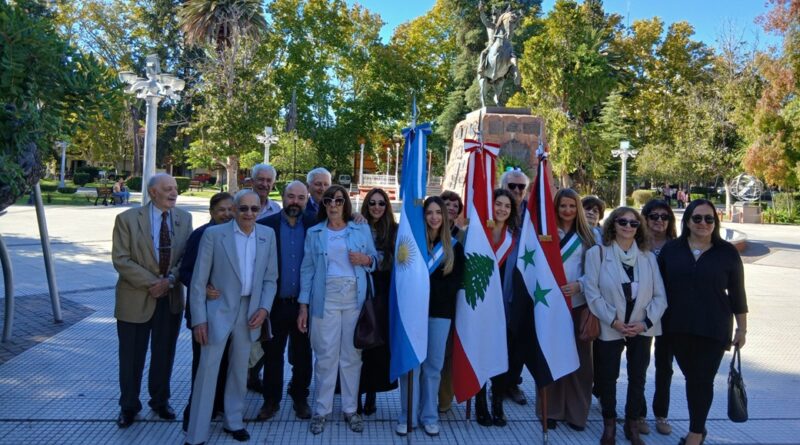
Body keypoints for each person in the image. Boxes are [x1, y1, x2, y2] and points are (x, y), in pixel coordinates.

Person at [184, 190, 278, 445]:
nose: (249, 214)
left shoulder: (267, 236)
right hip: (218, 310)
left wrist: (264, 308)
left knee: (239, 370)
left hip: (249, 311)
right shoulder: (214, 235)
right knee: (207, 370)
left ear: (260, 211)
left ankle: (233, 421)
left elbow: (270, 279)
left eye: (254, 209)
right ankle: (196, 433)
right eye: (244, 208)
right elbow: (198, 281)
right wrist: (199, 320)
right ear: (235, 209)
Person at [658, 199, 748, 445]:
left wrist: (742, 328)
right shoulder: (671, 250)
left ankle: (695, 433)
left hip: (714, 328)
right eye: (697, 218)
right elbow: (657, 288)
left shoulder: (727, 253)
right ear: (687, 220)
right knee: (691, 378)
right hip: (677, 327)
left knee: (703, 379)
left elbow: (738, 293)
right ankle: (698, 427)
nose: (703, 223)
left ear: (715, 222)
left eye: (709, 219)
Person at [111, 173, 193, 428]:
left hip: (170, 298)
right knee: (131, 356)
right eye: (168, 189)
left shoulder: (184, 218)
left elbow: (186, 258)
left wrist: (168, 282)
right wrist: (152, 283)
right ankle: (128, 406)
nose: (174, 193)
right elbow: (121, 259)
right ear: (153, 192)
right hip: (136, 297)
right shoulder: (126, 219)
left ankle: (160, 401)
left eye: (176, 188)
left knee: (164, 354)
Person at [296, 185, 377, 435]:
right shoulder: (315, 233)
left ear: (345, 204)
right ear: (323, 204)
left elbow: (374, 260)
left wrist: (365, 260)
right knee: (326, 356)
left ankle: (351, 410)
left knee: (352, 356)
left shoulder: (360, 227)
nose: (333, 204)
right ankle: (322, 411)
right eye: (329, 200)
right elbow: (307, 270)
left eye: (339, 200)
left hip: (354, 298)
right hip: (325, 299)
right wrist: (303, 307)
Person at [584, 206, 667, 445]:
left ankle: (632, 423)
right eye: (623, 222)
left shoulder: (648, 257)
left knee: (637, 376)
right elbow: (592, 293)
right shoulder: (597, 253)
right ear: (613, 224)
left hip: (642, 326)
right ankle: (609, 423)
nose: (628, 227)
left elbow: (660, 296)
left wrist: (645, 322)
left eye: (633, 223)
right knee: (607, 377)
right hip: (611, 324)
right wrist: (613, 320)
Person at [395, 196, 465, 437]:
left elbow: (454, 282)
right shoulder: (413, 244)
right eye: (429, 212)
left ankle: (429, 416)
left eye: (438, 212)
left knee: (433, 367)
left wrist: (427, 290)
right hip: (412, 312)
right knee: (411, 366)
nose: (434, 217)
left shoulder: (454, 246)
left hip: (439, 314)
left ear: (444, 216)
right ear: (423, 216)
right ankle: (407, 415)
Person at [254, 181, 316, 422]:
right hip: (275, 303)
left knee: (303, 355)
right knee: (273, 355)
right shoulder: (265, 226)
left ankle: (300, 397)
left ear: (307, 198)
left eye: (301, 198)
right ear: (283, 196)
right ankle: (271, 401)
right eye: (291, 196)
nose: (295, 202)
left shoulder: (315, 225)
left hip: (304, 304)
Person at [538, 188, 597, 431]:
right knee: (551, 358)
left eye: (572, 206)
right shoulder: (546, 233)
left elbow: (596, 270)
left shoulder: (589, 235)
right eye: (563, 206)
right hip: (550, 305)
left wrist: (580, 285)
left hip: (577, 305)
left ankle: (576, 412)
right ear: (556, 207)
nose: (568, 210)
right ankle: (549, 410)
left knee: (579, 362)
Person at [180, 192, 235, 431]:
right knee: (203, 365)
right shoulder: (201, 235)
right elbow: (185, 272)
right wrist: (203, 288)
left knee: (225, 363)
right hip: (203, 311)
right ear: (212, 212)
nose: (227, 214)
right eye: (222, 210)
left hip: (229, 313)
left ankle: (218, 406)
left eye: (231, 209)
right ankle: (194, 414)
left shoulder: (237, 235)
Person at [473, 188, 519, 428]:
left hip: (504, 305)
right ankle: (480, 402)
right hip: (480, 304)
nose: (502, 209)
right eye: (498, 204)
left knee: (501, 356)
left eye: (507, 206)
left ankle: (497, 403)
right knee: (481, 353)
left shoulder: (515, 237)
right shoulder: (479, 232)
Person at [356, 188, 399, 416]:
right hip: (358, 290)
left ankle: (371, 392)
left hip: (382, 292)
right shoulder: (356, 225)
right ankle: (356, 392)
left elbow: (394, 261)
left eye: (382, 203)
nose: (376, 207)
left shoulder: (394, 230)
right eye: (372, 202)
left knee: (376, 347)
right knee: (357, 345)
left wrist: (373, 261)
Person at [640, 200, 678, 436]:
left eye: (664, 217)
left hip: (669, 314)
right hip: (641, 313)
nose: (659, 221)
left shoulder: (677, 246)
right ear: (645, 218)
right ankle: (638, 413)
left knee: (664, 366)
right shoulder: (636, 243)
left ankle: (661, 413)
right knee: (639, 365)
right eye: (654, 216)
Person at [498, 169, 530, 405]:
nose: (517, 191)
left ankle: (512, 382)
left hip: (522, 283)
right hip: (496, 282)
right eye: (512, 186)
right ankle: (495, 383)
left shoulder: (534, 215)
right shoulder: (494, 210)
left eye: (521, 187)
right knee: (496, 336)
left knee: (519, 336)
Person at [436, 190, 465, 414]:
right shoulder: (428, 235)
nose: (452, 208)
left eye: (456, 205)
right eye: (447, 203)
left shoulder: (464, 237)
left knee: (449, 352)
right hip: (433, 304)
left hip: (457, 302)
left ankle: (445, 398)